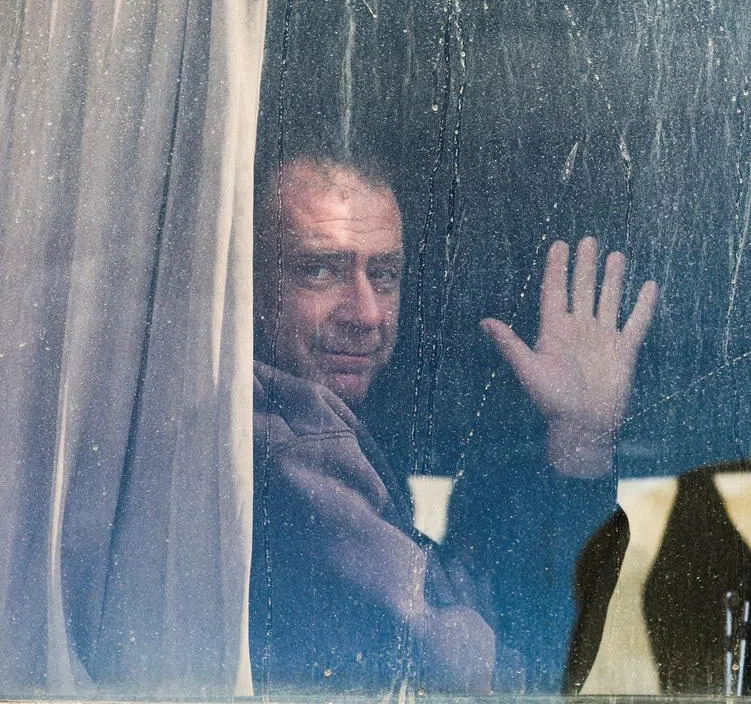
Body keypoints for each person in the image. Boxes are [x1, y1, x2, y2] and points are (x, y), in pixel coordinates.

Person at [249, 153, 657, 693]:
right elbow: (508, 681)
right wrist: (582, 438)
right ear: (247, 281)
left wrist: (579, 437)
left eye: (385, 274)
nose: (366, 313)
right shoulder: (290, 440)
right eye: (318, 270)